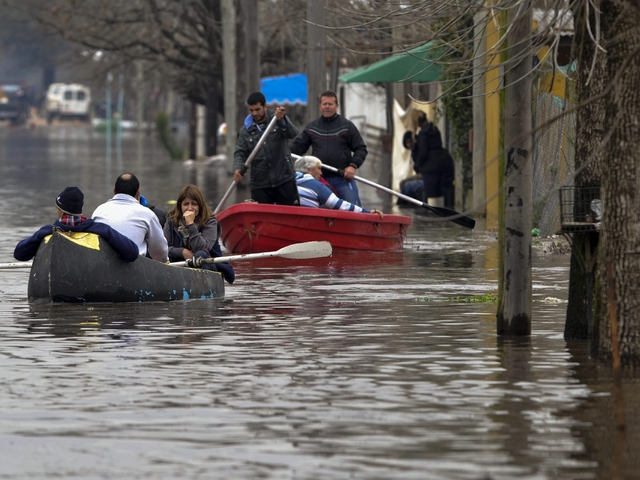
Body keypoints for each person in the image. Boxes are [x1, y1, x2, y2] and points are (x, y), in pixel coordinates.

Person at [14, 186, 139, 263]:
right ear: (80, 210)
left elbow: (19, 254)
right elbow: (132, 253)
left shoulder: (46, 231)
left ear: (60, 210)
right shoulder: (101, 229)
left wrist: (39, 236)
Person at [291, 90, 367, 206]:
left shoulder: (347, 126)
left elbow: (361, 148)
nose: (327, 107)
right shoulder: (312, 127)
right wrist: (283, 150)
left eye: (330, 104)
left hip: (343, 179)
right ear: (320, 106)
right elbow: (298, 148)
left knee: (354, 208)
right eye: (324, 104)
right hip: (319, 179)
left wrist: (353, 166)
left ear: (337, 106)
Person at [233, 92, 300, 206]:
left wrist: (282, 121)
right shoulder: (245, 131)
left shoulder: (277, 120)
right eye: (251, 110)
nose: (255, 113)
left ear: (265, 106)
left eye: (258, 109)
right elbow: (240, 152)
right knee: (261, 220)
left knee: (289, 216)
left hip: (284, 179)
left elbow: (293, 133)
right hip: (261, 183)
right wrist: (238, 168)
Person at [163, 184, 235, 284]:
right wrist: (182, 252)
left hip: (207, 265)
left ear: (200, 206)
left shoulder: (211, 222)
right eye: (185, 204)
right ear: (180, 206)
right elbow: (163, 248)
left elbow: (202, 248)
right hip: (180, 267)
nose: (190, 208)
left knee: (200, 254)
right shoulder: (171, 221)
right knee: (161, 257)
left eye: (194, 204)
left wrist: (190, 224)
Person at [91, 173, 169, 263]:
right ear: (138, 193)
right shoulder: (147, 214)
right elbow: (160, 250)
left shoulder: (99, 210)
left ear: (114, 191)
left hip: (102, 264)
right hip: (135, 268)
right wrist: (164, 261)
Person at [294, 156, 383, 217]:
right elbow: (339, 205)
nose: (321, 173)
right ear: (308, 169)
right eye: (319, 168)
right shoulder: (315, 185)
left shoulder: (288, 182)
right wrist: (366, 212)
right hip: (308, 222)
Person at [413, 112, 454, 208]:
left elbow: (423, 153)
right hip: (440, 164)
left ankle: (431, 217)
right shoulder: (435, 130)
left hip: (429, 168)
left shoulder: (423, 134)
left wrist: (417, 165)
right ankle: (441, 216)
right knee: (439, 194)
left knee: (430, 196)